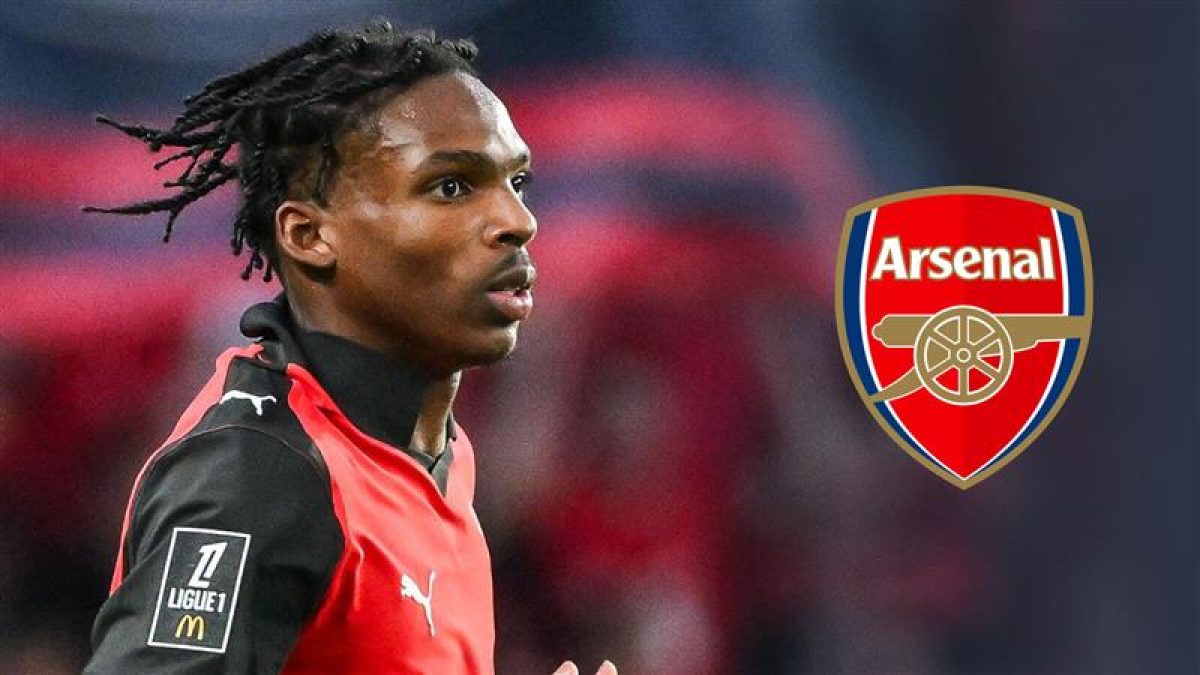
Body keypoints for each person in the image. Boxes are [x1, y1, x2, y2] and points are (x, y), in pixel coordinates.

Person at [83, 20, 615, 675]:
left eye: (518, 183)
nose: (518, 221)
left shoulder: (434, 451)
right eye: (451, 186)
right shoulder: (258, 476)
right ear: (309, 235)